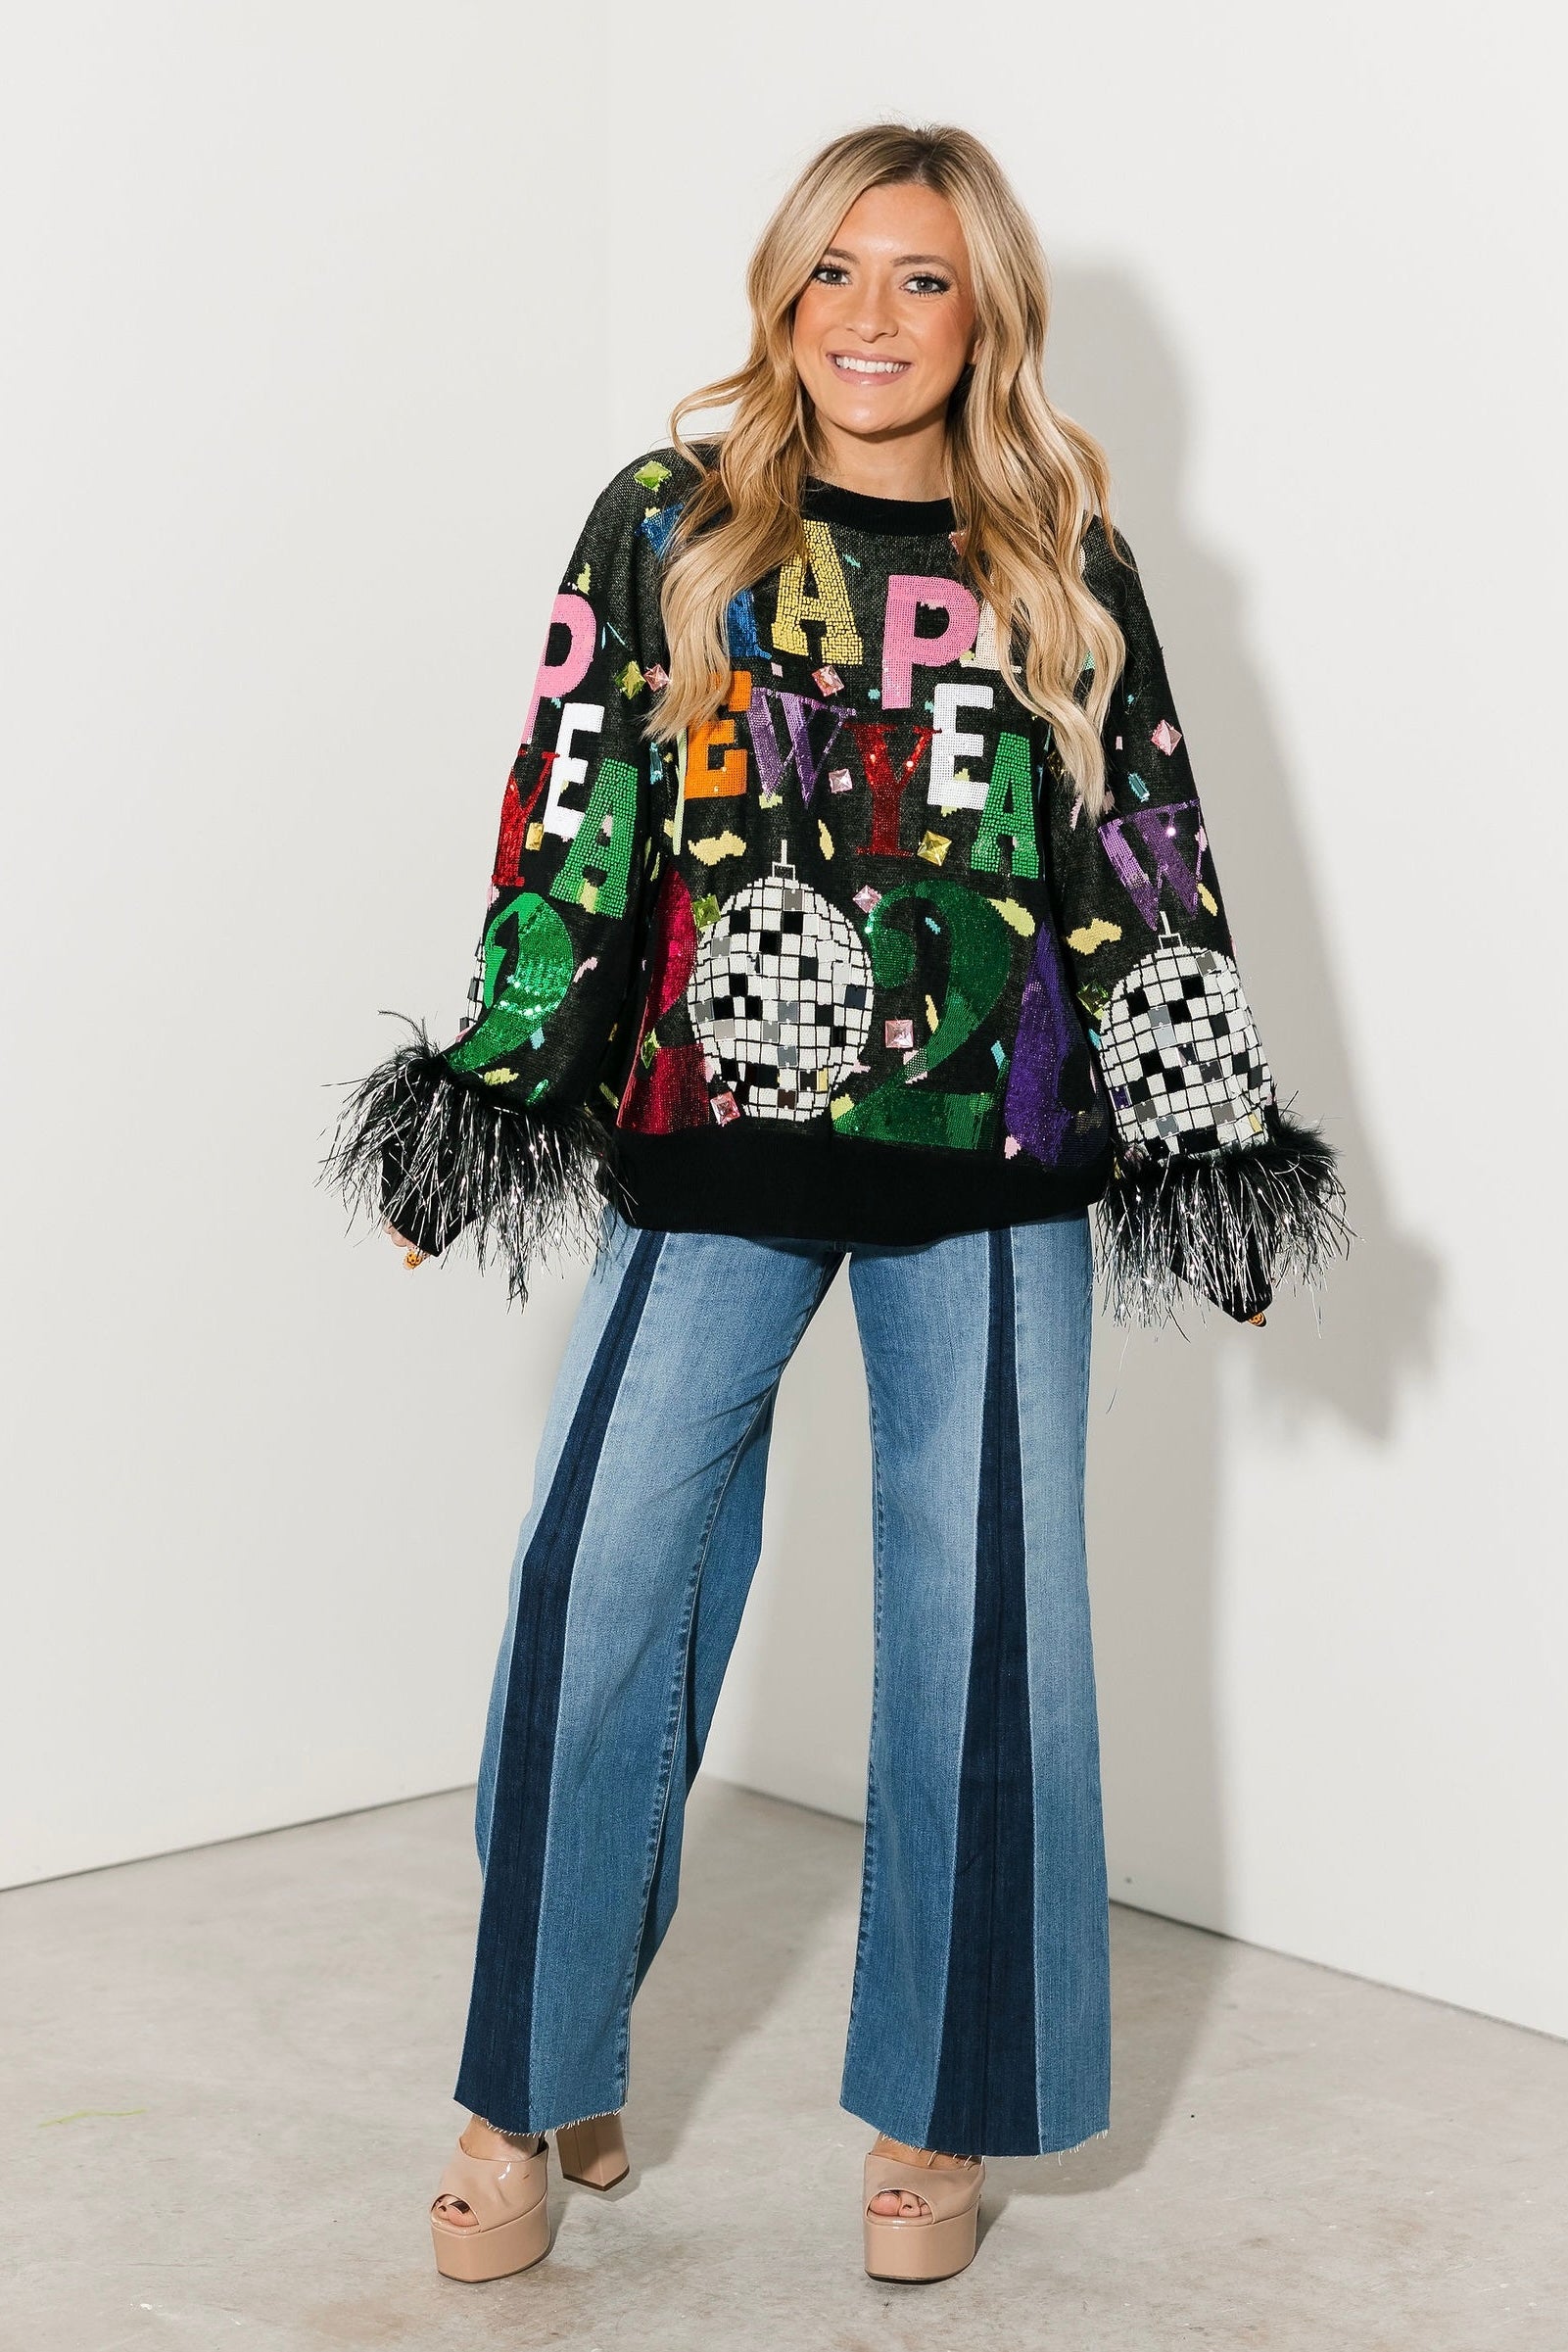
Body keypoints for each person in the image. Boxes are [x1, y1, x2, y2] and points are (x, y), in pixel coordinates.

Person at [329, 120, 1350, 2287]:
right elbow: (574, 810)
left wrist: (1212, 1150)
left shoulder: (1059, 551)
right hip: (708, 1146)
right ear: (782, 294)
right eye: (834, 273)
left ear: (987, 317)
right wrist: (494, 1090)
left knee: (985, 1635)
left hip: (994, 1171)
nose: (871, 319)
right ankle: (524, 2081)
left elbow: (1140, 856)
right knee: (594, 1592)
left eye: (922, 279)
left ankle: (937, 2111)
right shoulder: (670, 517)